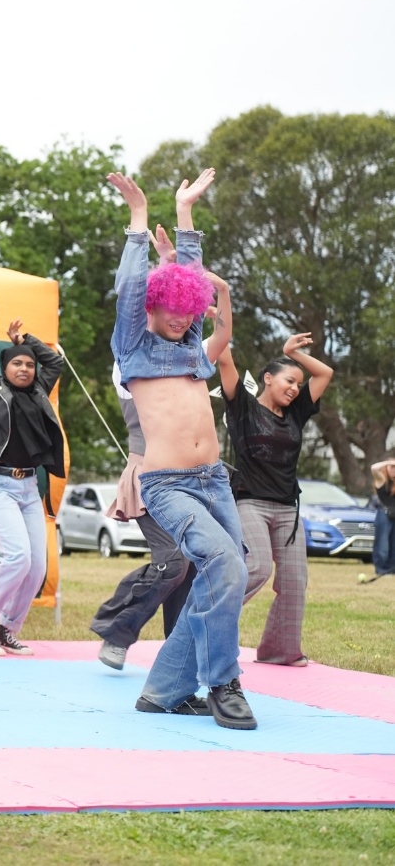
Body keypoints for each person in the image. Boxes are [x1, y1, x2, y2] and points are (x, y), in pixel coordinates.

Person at [108, 169, 255, 730]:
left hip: (214, 479)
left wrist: (187, 212)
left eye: (188, 308)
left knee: (227, 575)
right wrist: (139, 217)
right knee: (225, 565)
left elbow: (192, 273)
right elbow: (130, 287)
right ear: (152, 305)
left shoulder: (193, 344)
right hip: (168, 484)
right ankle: (223, 682)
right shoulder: (133, 347)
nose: (180, 316)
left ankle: (164, 689)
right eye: (169, 306)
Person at [0, 287, 66, 657]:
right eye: (17, 363)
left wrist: (25, 341)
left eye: (29, 364)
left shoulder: (38, 392)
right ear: (4, 367)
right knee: (17, 556)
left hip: (28, 486)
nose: (24, 368)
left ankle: (7, 628)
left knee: (36, 567)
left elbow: (55, 363)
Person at [219, 334, 333, 665]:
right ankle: (201, 621)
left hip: (287, 509)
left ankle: (279, 651)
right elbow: (224, 359)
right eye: (289, 380)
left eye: (299, 383)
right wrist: (218, 322)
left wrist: (292, 353)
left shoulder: (296, 413)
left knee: (295, 581)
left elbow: (324, 373)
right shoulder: (242, 407)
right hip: (250, 502)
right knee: (257, 567)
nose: (295, 388)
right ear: (268, 378)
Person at [89, 365, 195, 668]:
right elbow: (126, 340)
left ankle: (177, 653)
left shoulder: (186, 362)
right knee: (172, 562)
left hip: (187, 479)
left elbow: (215, 348)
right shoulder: (130, 363)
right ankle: (116, 630)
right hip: (148, 477)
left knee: (190, 566)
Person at [370, 459, 395, 579]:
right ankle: (382, 569)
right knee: (382, 544)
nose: (394, 470)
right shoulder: (382, 480)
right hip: (384, 514)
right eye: (392, 467)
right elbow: (374, 467)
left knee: (393, 544)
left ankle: (391, 569)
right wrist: (388, 462)